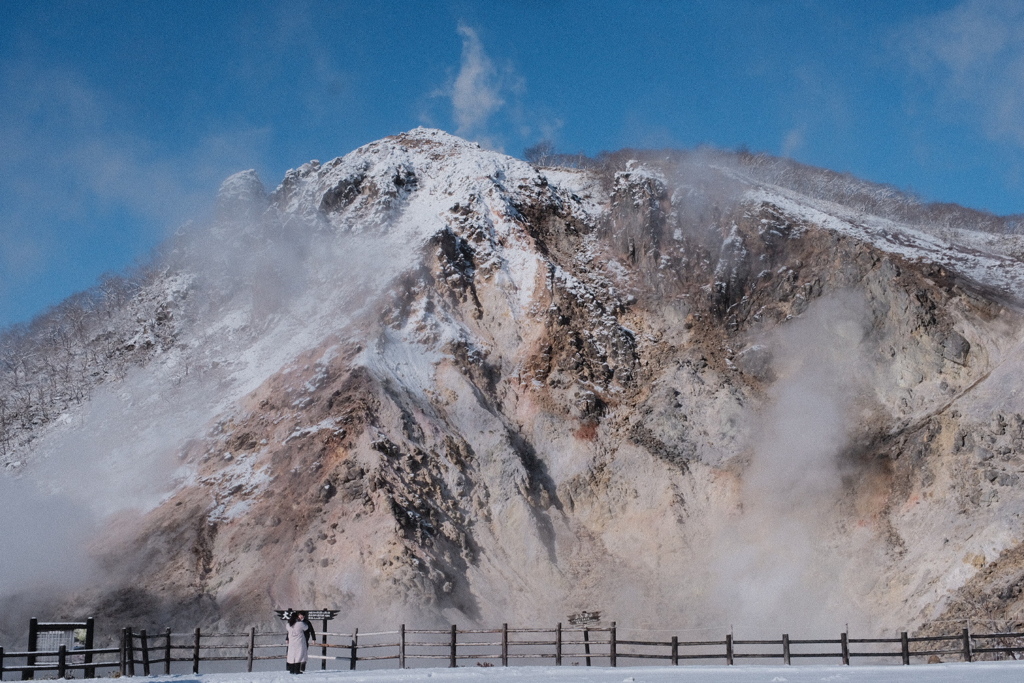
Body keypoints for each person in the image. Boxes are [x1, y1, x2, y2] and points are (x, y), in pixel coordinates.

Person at [285, 609, 309, 674]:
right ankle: (297, 670)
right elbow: (306, 627)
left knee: (291, 655)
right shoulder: (300, 624)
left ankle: (291, 670)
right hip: (299, 642)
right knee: (299, 655)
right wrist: (301, 621)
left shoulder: (288, 625)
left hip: (292, 643)